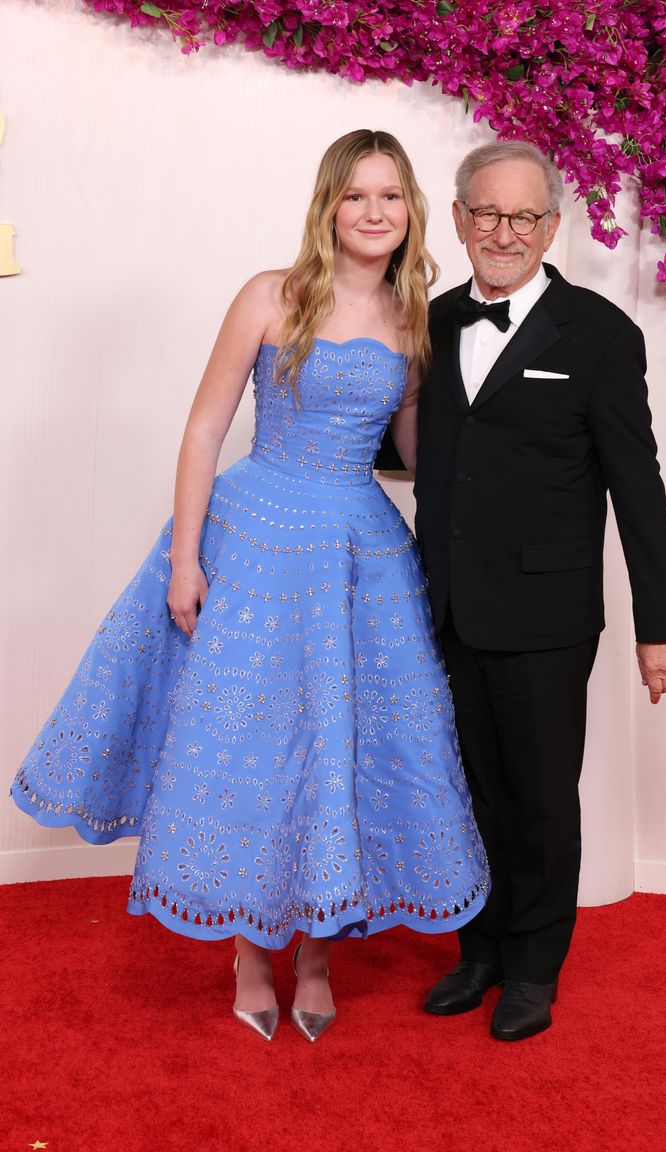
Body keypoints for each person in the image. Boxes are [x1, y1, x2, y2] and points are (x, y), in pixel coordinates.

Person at [11, 129, 489, 1044]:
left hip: (358, 553)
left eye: (391, 196)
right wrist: (186, 559)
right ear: (329, 206)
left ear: (413, 210)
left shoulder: (414, 317)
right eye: (356, 195)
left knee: (342, 749)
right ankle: (249, 952)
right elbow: (204, 428)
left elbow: (420, 454)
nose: (374, 212)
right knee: (250, 745)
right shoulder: (272, 295)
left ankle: (316, 958)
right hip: (255, 539)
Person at [412, 140, 666, 1041]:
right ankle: (481, 951)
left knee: (538, 797)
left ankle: (535, 966)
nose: (506, 233)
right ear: (459, 220)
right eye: (488, 214)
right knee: (469, 793)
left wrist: (661, 624)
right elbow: (417, 454)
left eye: (525, 216)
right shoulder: (432, 321)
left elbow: (638, 487)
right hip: (444, 604)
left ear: (552, 227)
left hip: (545, 613)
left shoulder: (601, 334)